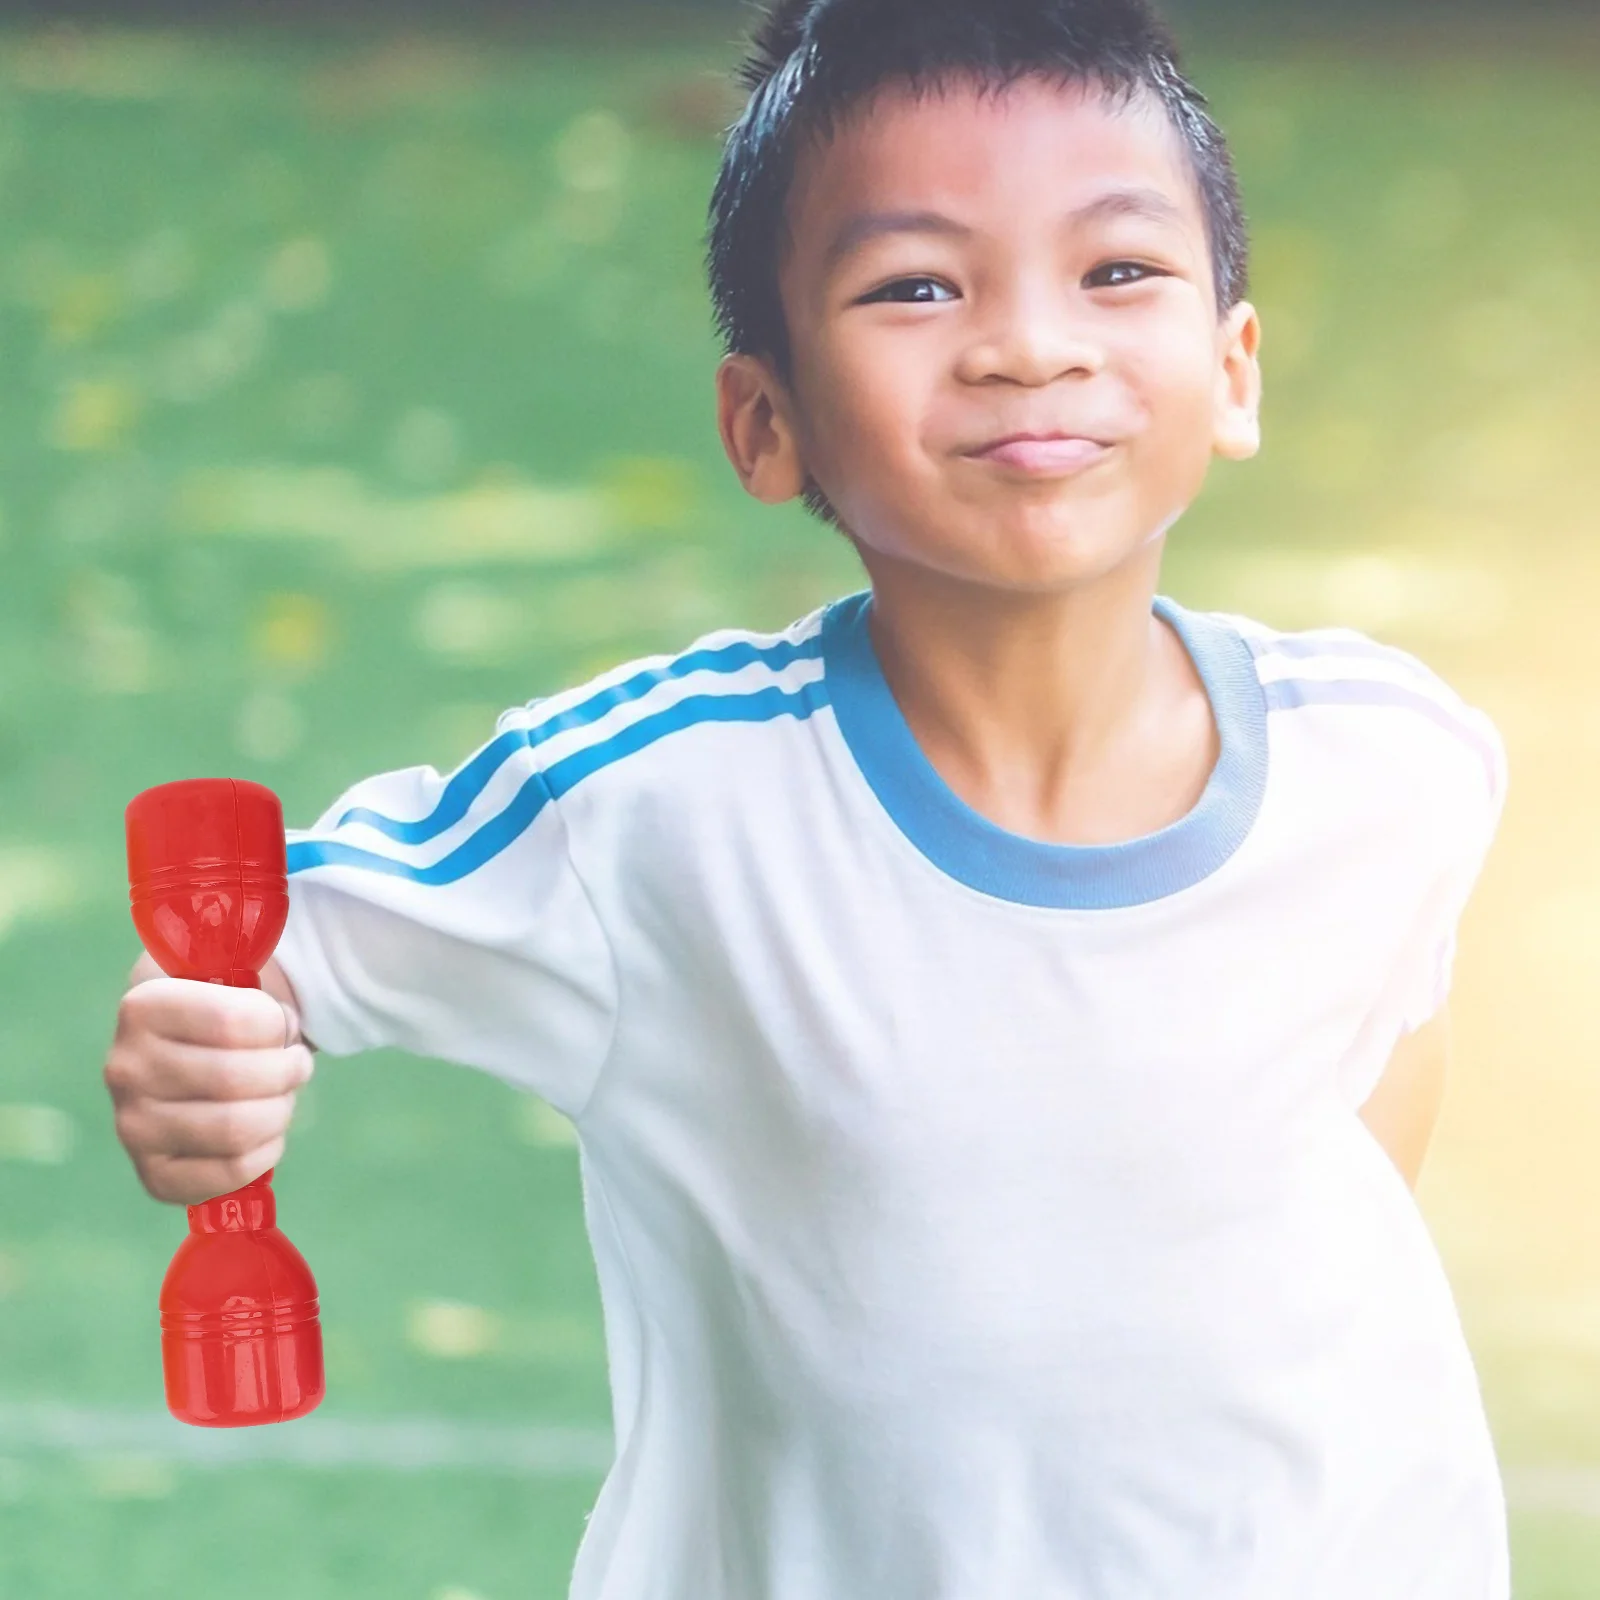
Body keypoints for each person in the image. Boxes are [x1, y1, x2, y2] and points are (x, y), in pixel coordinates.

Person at [103, 0, 1511, 1593]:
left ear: (1236, 369)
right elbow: (253, 953)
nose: (1028, 343)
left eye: (1117, 270)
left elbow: (1366, 1117)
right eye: (916, 284)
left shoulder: (1395, 759)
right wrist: (195, 1050)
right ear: (767, 424)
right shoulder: (651, 810)